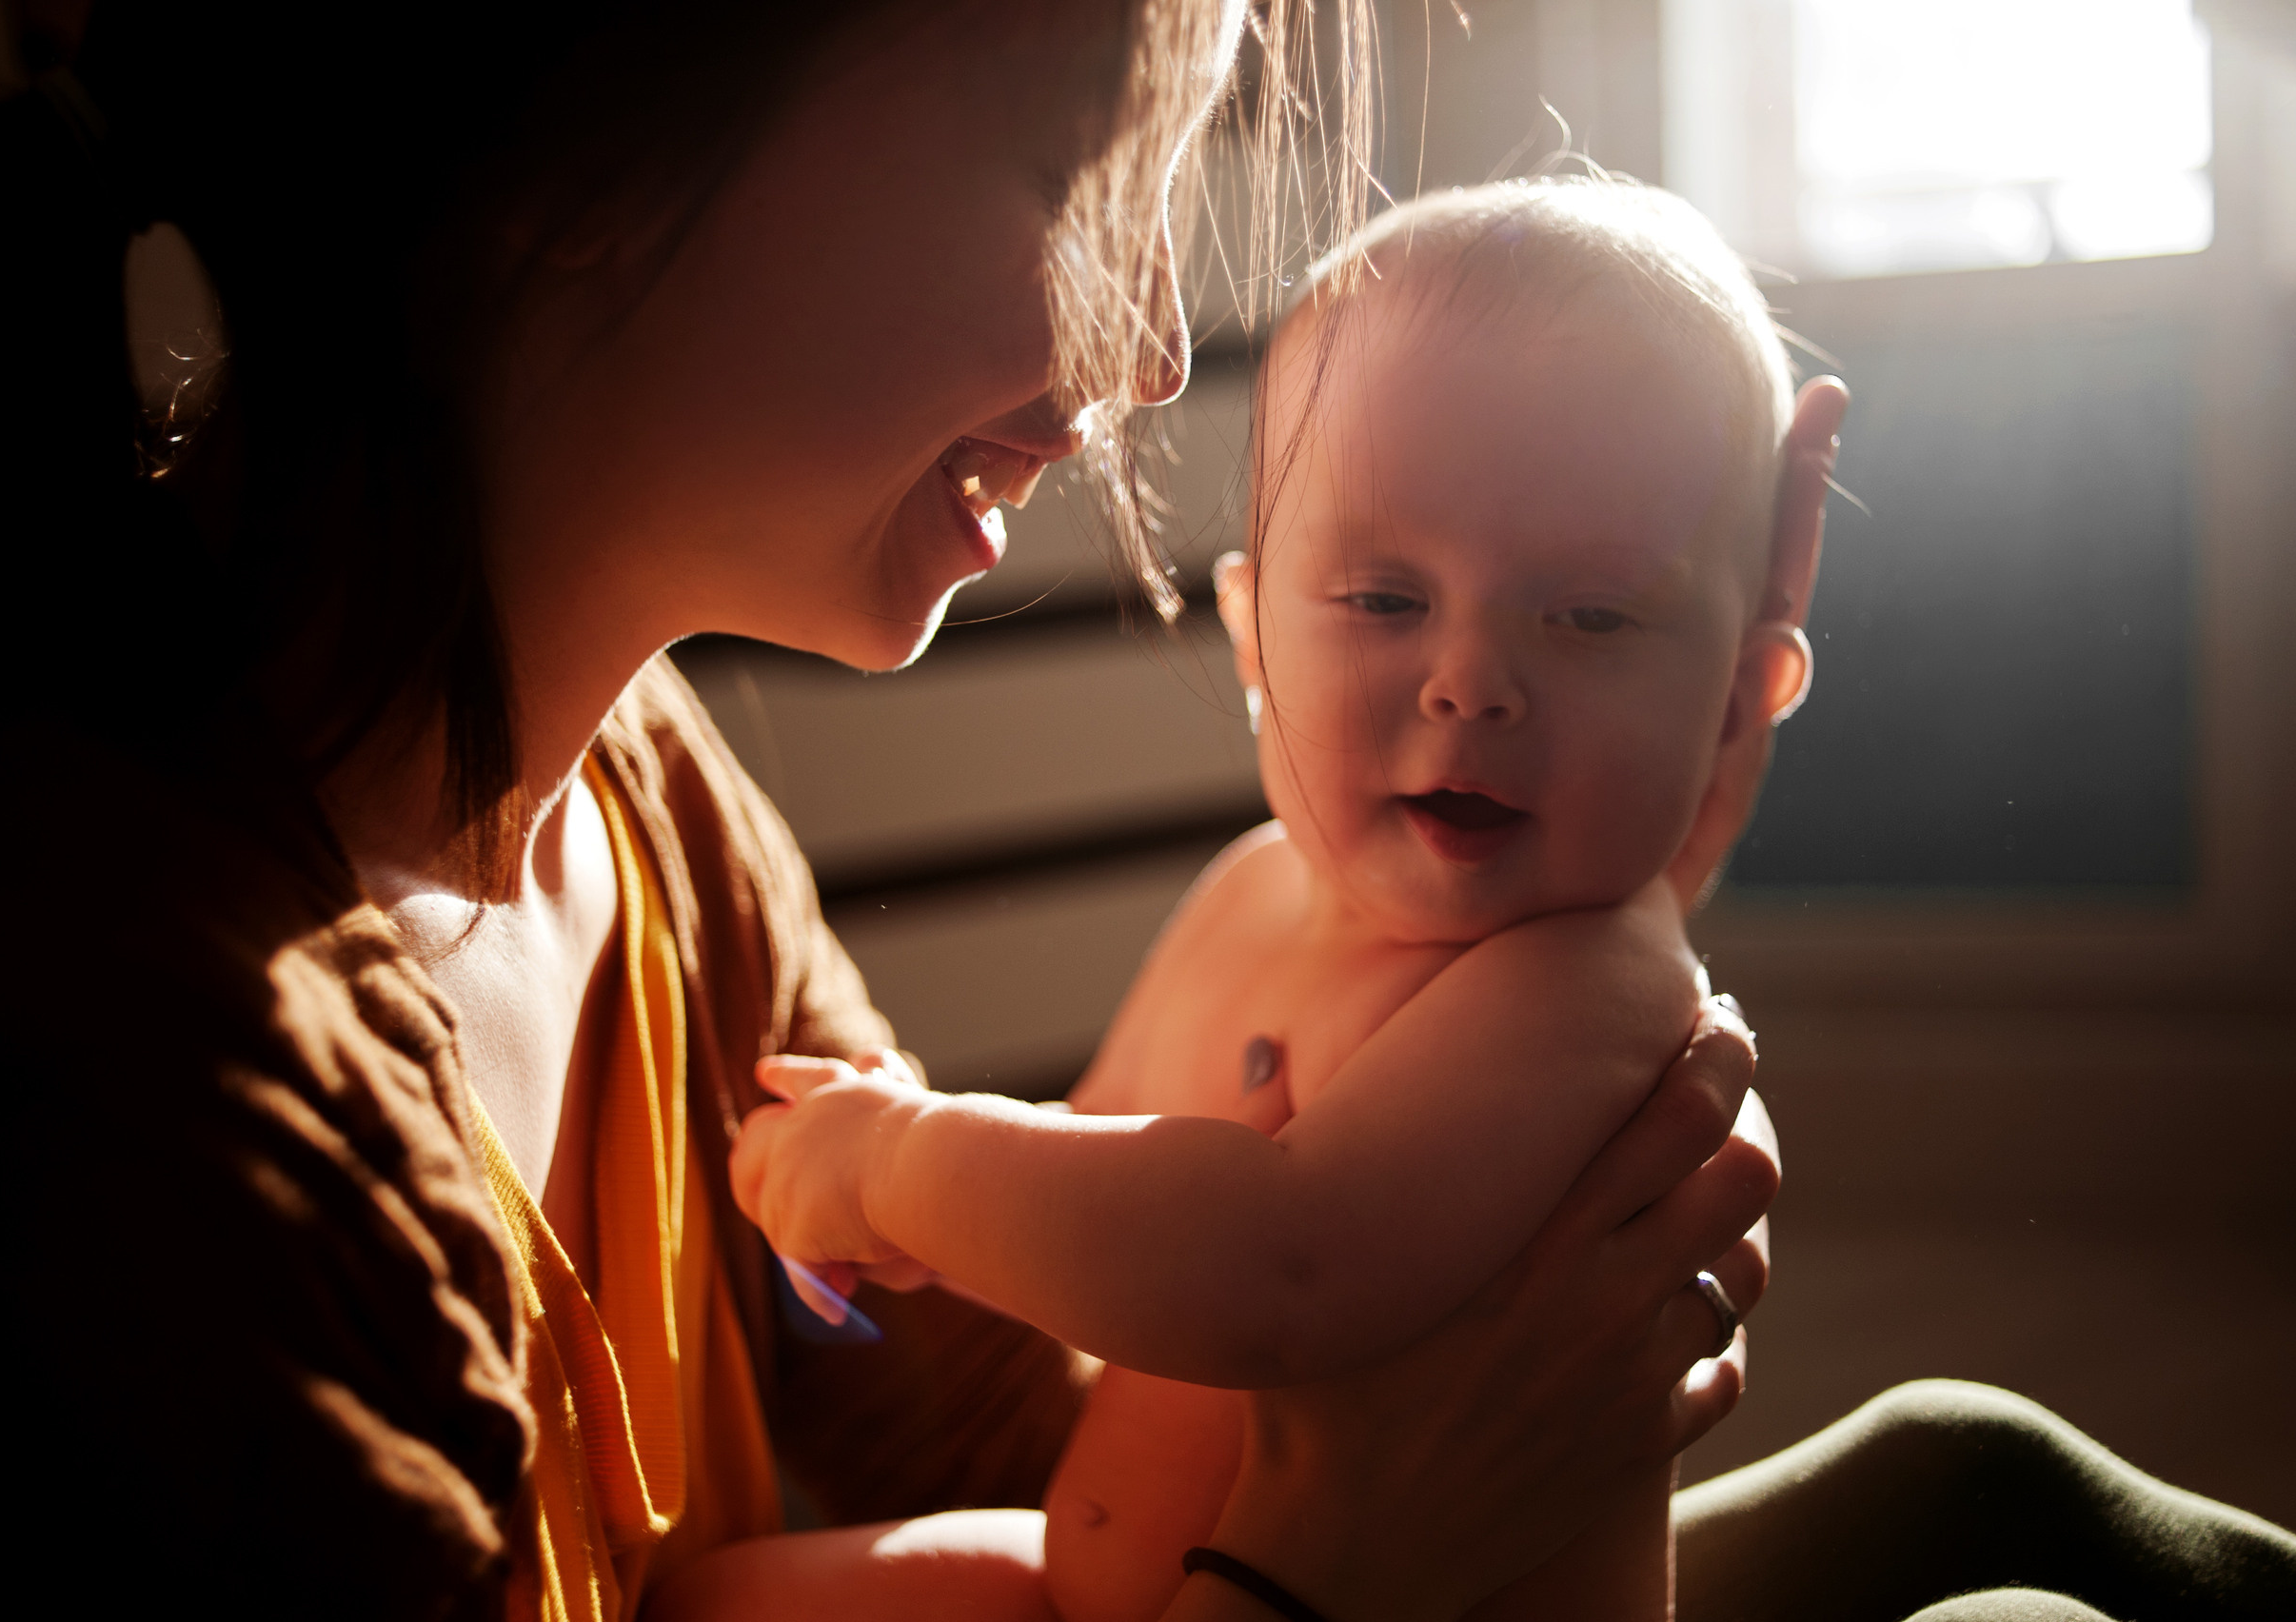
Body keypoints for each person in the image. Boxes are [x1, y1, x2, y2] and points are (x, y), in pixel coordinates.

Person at [0, 2, 2296, 1619]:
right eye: (1067, 166)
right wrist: (1315, 1594)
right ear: (596, 131)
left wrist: (1498, 972)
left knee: (1969, 1476)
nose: (1147, 348)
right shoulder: (165, 1109)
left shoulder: (628, 802)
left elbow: (1059, 1440)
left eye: (1576, 613)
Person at [733, 174, 1831, 1622]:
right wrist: (944, 1222)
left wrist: (907, 1164)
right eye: (1385, 600)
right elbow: (1102, 1161)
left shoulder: (1590, 993)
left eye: (1590, 617)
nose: (1471, 682)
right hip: (1129, 1584)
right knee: (717, 1602)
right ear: (1253, 633)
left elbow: (1279, 1264)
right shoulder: (1255, 891)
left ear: (1742, 698)